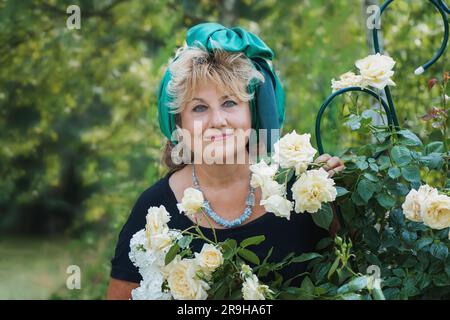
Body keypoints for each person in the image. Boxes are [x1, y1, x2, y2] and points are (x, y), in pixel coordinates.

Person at [106, 22, 344, 300]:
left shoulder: (304, 192)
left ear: (251, 112)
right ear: (178, 122)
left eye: (230, 102)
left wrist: (339, 196)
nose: (218, 121)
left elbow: (350, 274)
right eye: (199, 107)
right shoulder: (154, 210)